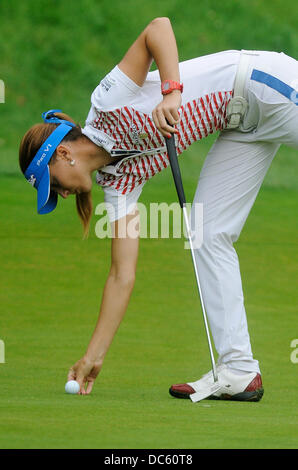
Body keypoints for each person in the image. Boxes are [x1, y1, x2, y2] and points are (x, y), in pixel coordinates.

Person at [19, 18, 298, 400]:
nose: (62, 196)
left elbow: (158, 29)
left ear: (63, 154)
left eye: (54, 185)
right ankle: (238, 370)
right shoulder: (117, 185)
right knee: (207, 232)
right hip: (243, 127)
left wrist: (171, 91)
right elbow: (122, 274)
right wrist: (93, 355)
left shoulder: (107, 102)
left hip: (258, 84)